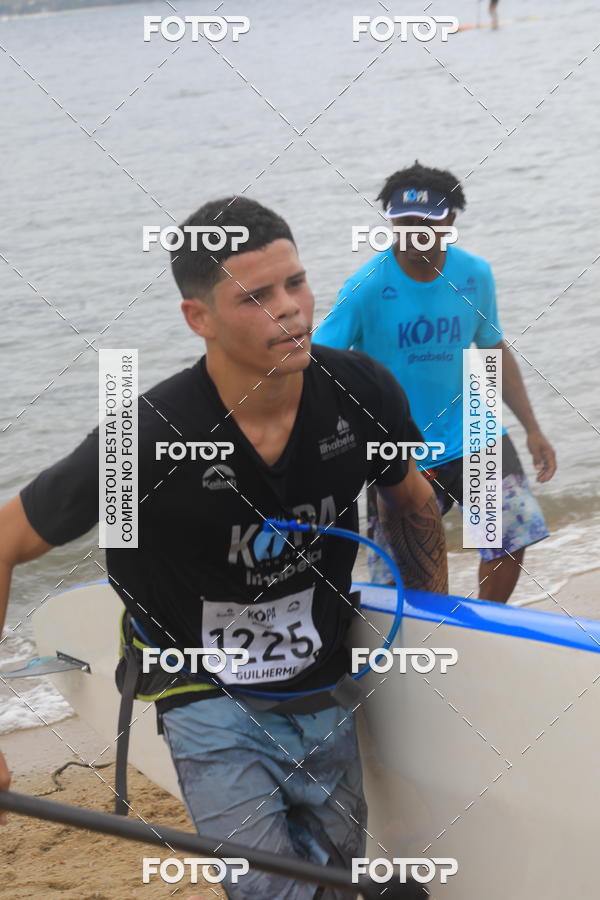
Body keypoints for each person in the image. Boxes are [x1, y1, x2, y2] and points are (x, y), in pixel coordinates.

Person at [0, 197, 446, 898]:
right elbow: (6, 539)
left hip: (323, 685)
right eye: (257, 297)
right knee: (269, 890)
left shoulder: (359, 391)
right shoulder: (148, 440)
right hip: (201, 692)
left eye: (296, 283)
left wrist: (434, 642)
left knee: (334, 882)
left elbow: (412, 503)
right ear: (198, 317)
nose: (290, 308)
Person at [314, 162, 556, 604]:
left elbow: (493, 348)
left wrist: (532, 428)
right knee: (401, 575)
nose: (415, 234)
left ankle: (482, 624)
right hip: (401, 446)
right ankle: (424, 639)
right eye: (404, 222)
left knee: (510, 537)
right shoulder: (365, 287)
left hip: (475, 432)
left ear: (450, 220)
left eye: (427, 222)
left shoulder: (474, 275)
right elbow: (316, 362)